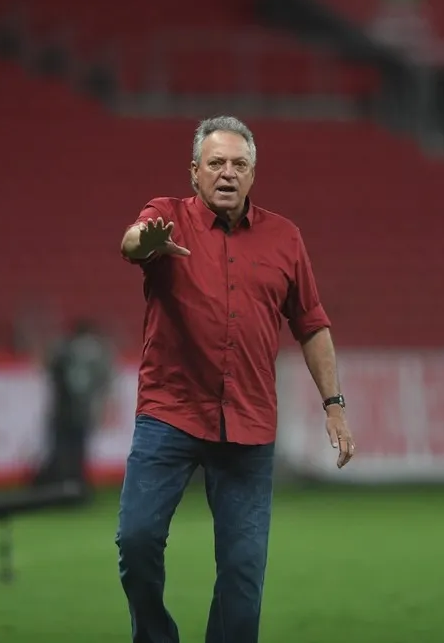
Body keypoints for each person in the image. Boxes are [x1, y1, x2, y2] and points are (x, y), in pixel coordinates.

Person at [115, 115, 356, 643]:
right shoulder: (167, 219)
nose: (228, 174)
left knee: (243, 575)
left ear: (253, 175)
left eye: (239, 165)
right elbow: (133, 243)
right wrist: (143, 241)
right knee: (136, 541)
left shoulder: (285, 238)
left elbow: (312, 324)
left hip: (247, 423)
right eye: (217, 163)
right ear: (194, 172)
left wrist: (333, 404)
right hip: (170, 414)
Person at [33, 318, 114, 494]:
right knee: (77, 449)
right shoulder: (97, 353)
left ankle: (61, 485)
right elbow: (104, 382)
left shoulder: (63, 350)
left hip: (62, 410)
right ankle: (74, 485)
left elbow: (48, 369)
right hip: (81, 411)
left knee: (62, 448)